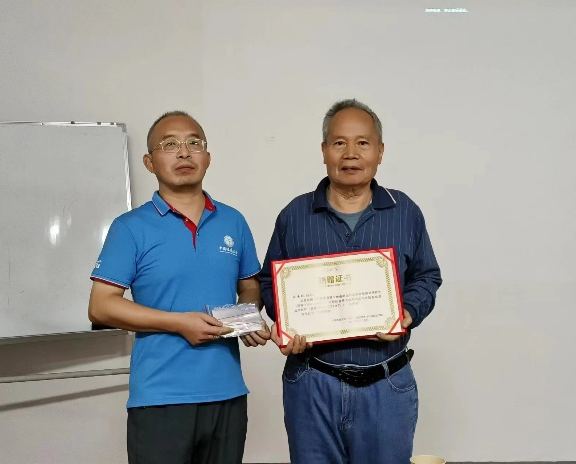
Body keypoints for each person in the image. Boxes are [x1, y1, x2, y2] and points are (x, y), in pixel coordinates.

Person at [259, 99, 442, 464]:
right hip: (311, 381)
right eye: (339, 143)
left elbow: (426, 276)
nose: (351, 154)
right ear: (324, 151)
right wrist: (289, 323)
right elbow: (269, 281)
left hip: (386, 384)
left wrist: (405, 313)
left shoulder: (404, 211)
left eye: (363, 143)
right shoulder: (295, 214)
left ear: (380, 151)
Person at [88, 110, 270, 464]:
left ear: (207, 157)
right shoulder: (130, 227)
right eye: (169, 144)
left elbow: (250, 286)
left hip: (228, 394)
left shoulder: (233, 221)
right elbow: (101, 305)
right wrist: (179, 323)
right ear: (149, 162)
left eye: (193, 143)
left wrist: (245, 318)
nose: (184, 152)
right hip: (161, 397)